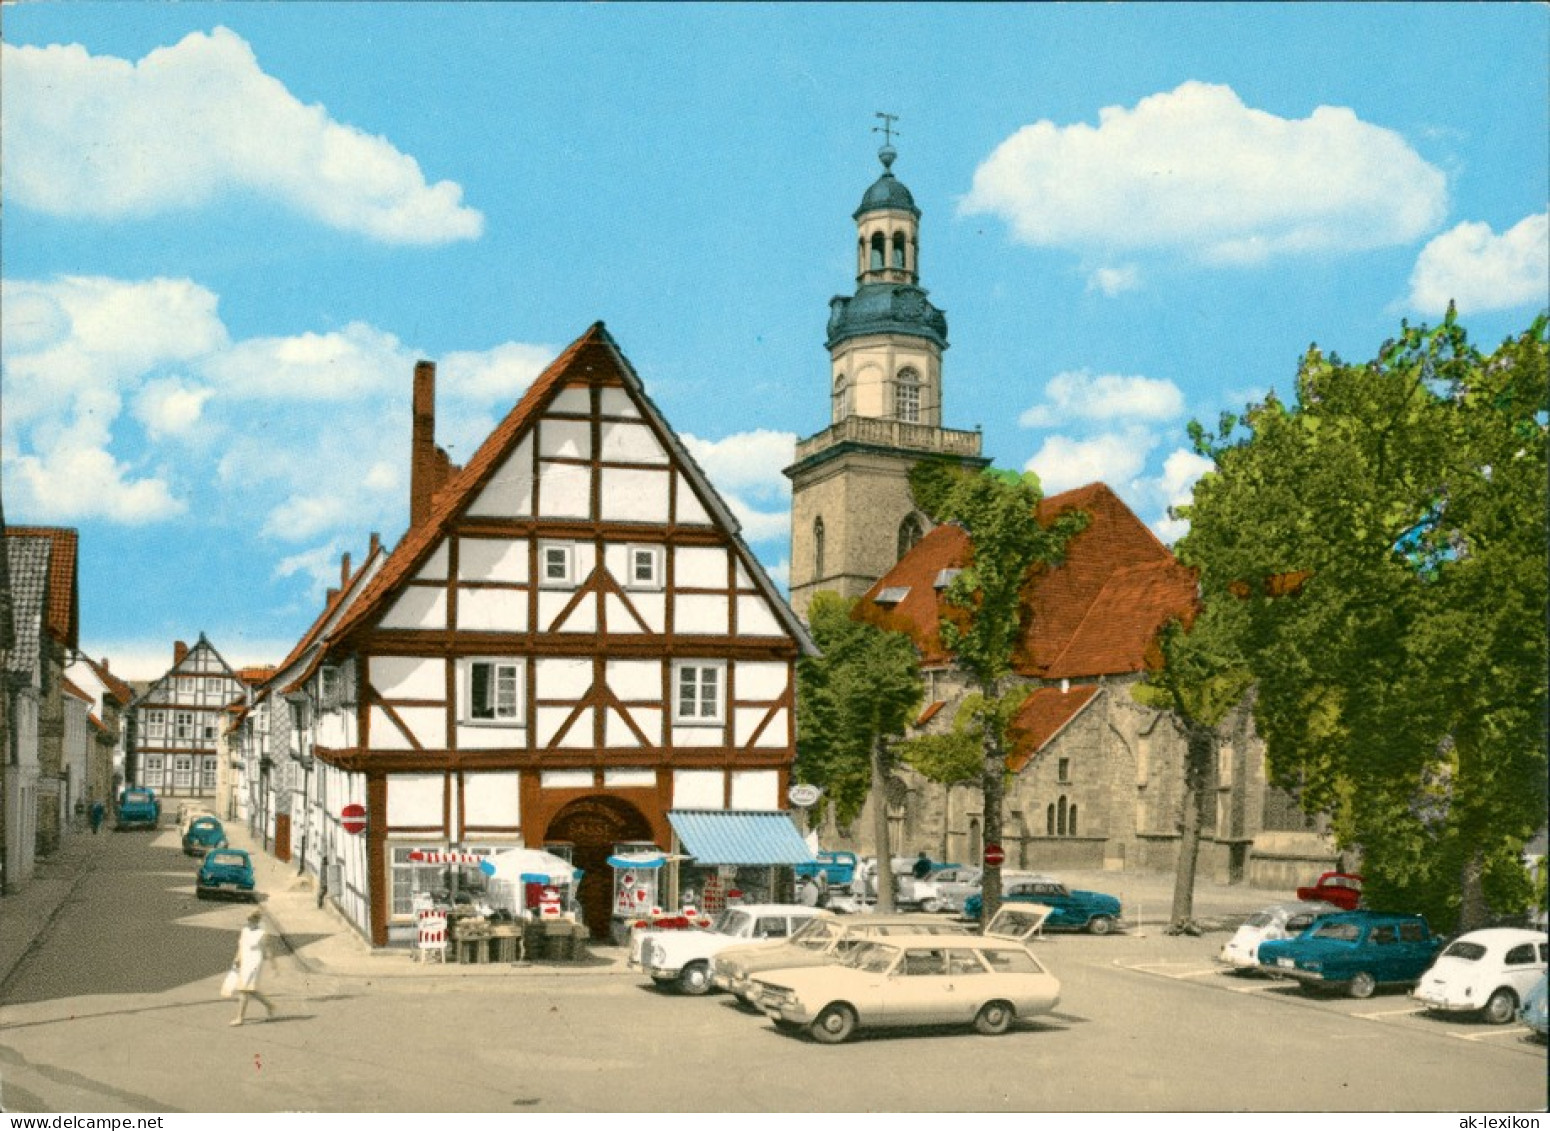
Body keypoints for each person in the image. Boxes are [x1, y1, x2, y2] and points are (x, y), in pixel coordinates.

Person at [230, 909, 277, 1026]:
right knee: (250, 989)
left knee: (243, 989)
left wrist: (274, 966)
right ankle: (270, 1005)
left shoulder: (262, 934)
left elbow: (268, 950)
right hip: (245, 961)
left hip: (254, 963)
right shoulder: (245, 930)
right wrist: (237, 958)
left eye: (250, 920)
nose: (248, 922)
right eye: (247, 919)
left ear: (256, 920)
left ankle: (240, 1018)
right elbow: (241, 946)